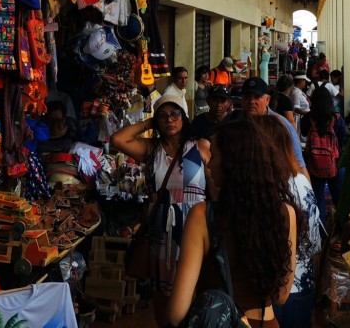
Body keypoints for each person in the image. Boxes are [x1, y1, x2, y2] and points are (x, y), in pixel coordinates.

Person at [167, 119, 298, 328]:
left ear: (231, 163)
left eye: (215, 155)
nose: (208, 163)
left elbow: (176, 312)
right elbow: (281, 296)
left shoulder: (202, 215)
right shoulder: (287, 214)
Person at [110, 91, 209, 322]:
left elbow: (215, 186)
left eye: (175, 114)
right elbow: (117, 140)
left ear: (184, 116)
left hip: (194, 229)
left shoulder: (200, 147)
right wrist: (148, 122)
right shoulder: (151, 150)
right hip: (161, 232)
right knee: (163, 298)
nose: (169, 120)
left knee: (195, 293)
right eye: (163, 116)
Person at [254, 117, 321, 328]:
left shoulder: (255, 186)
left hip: (264, 289)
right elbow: (314, 243)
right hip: (300, 287)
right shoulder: (301, 181)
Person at [229, 77, 307, 177]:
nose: (252, 101)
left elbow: (299, 164)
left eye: (257, 97)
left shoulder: (282, 125)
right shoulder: (233, 119)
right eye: (247, 96)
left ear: (267, 99)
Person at [299, 85, 348, 226]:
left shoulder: (308, 119)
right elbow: (342, 138)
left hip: (314, 166)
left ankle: (321, 235)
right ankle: (340, 230)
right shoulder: (337, 119)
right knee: (339, 199)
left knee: (318, 198)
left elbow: (303, 134)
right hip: (336, 165)